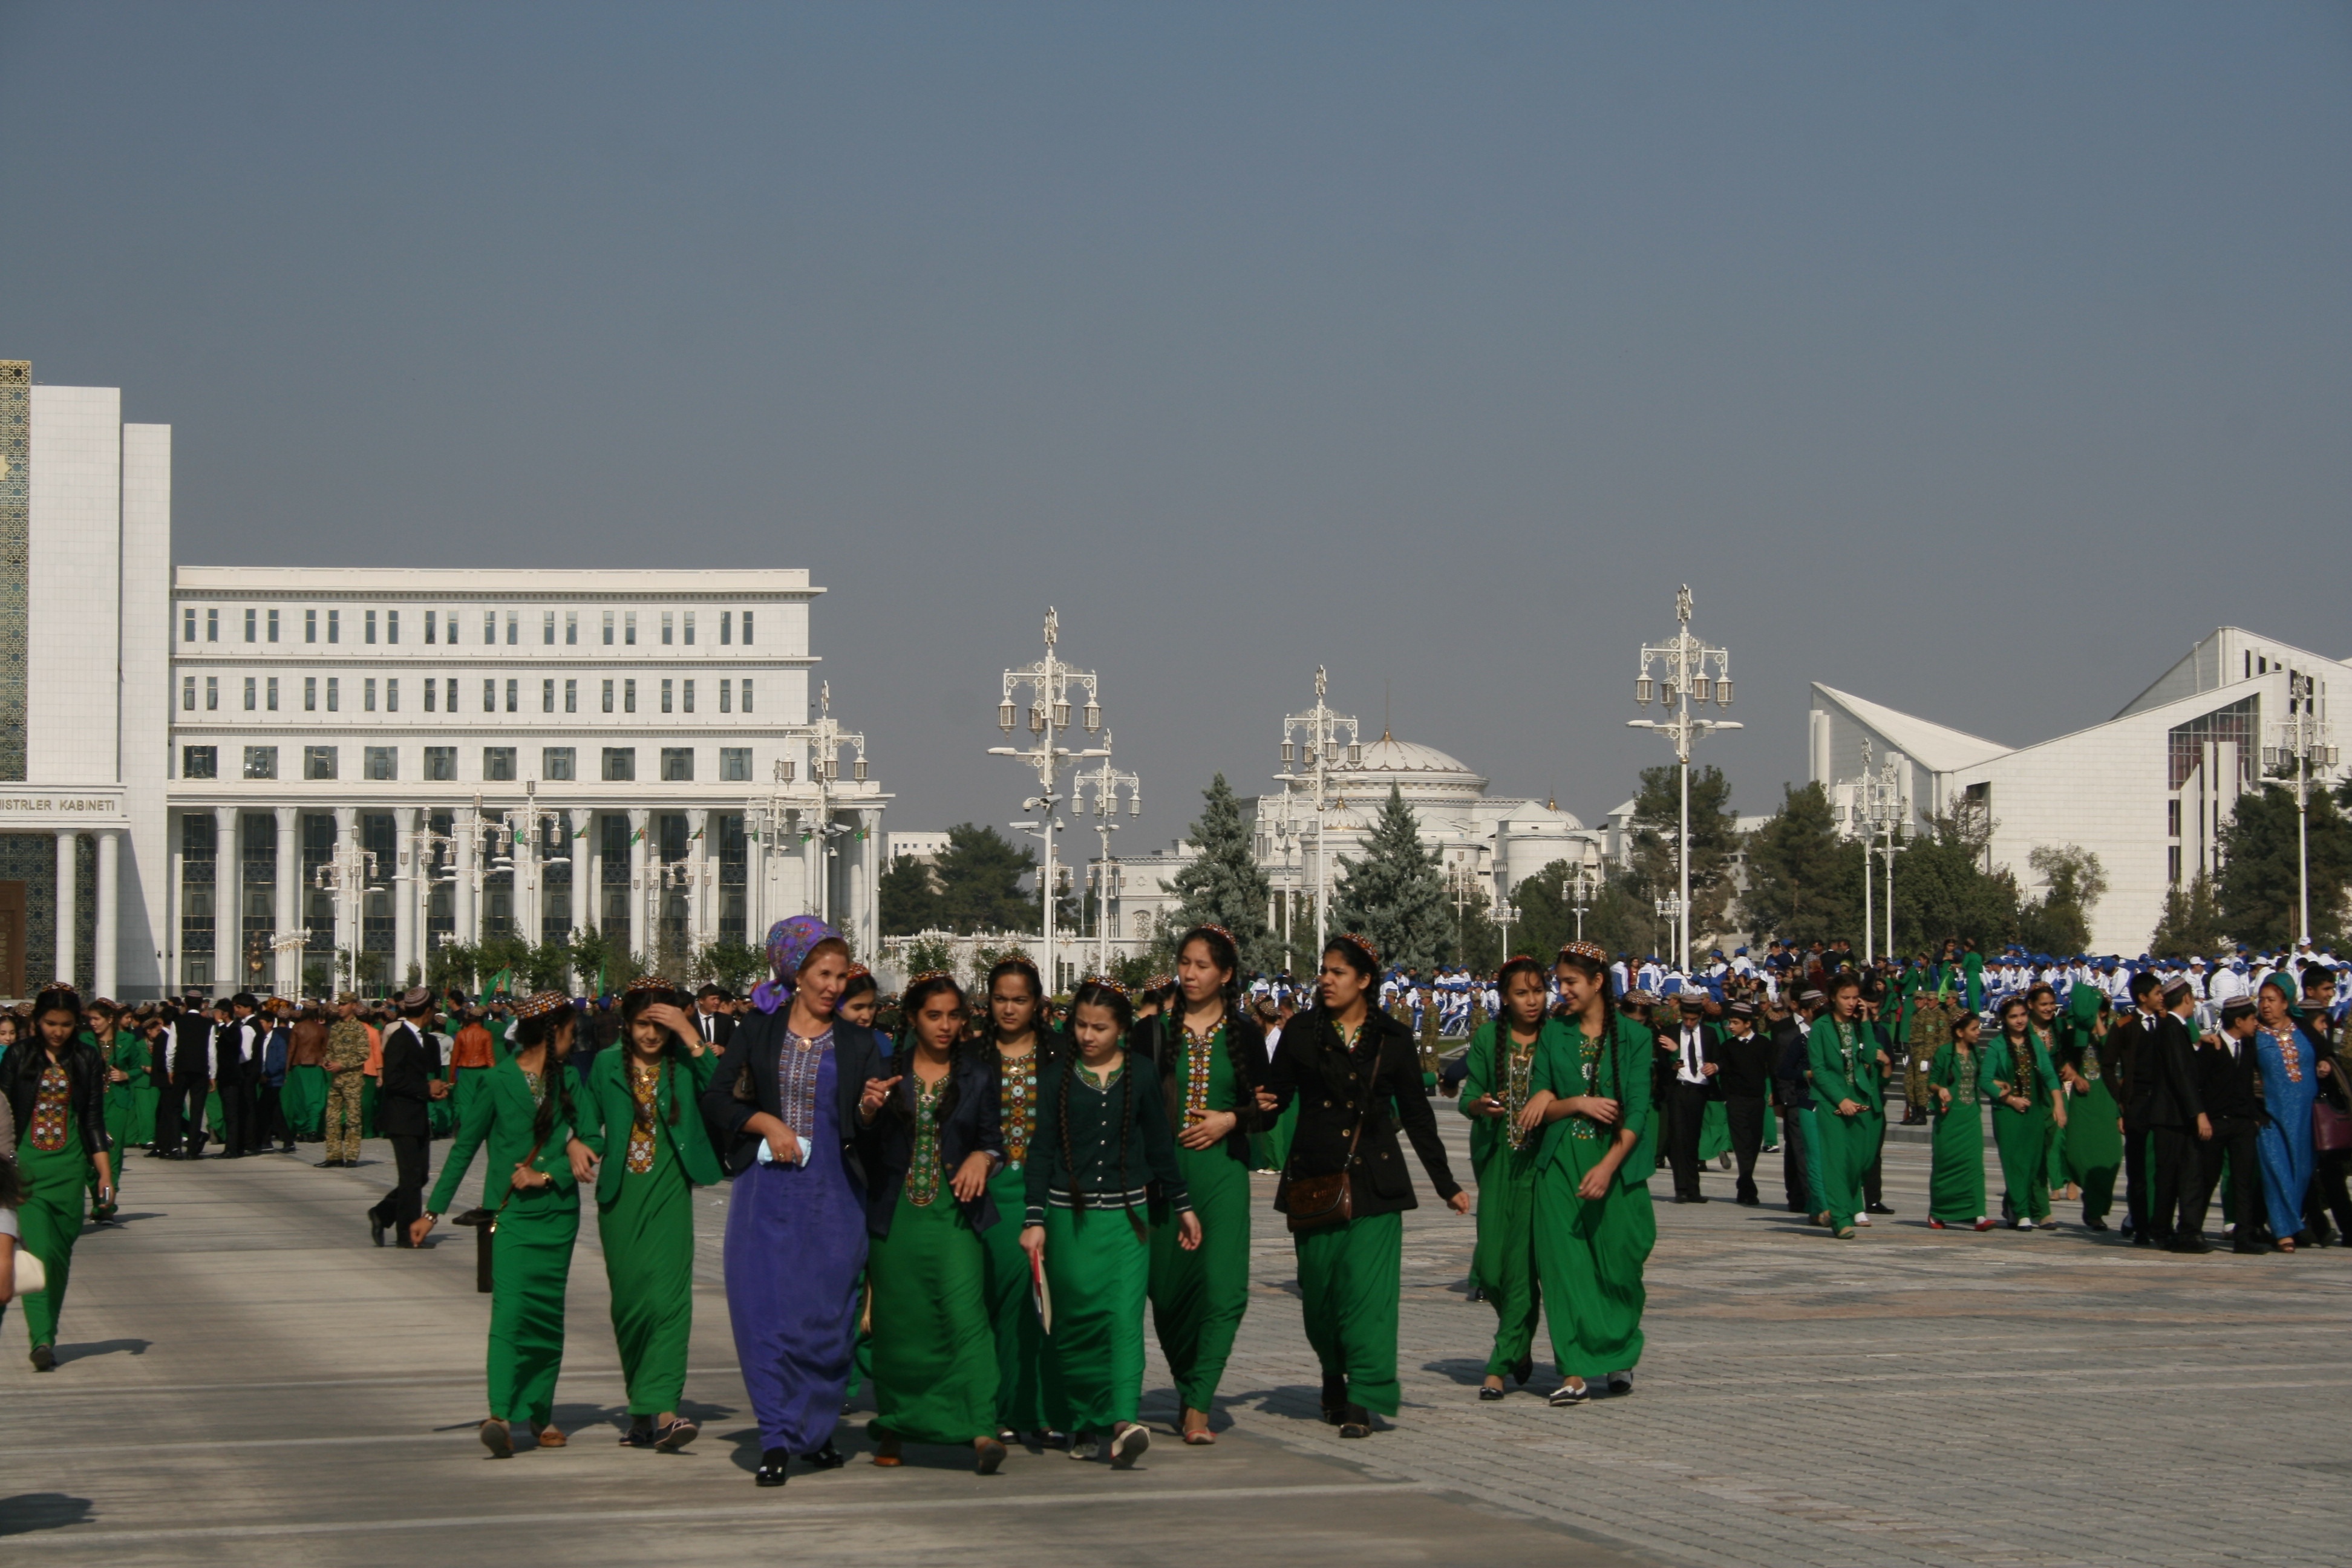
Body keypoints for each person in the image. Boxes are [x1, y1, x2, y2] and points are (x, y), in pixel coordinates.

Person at [698, 916, 893, 1489]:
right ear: (796, 973)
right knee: (766, 1315)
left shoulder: (862, 1043)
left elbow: (866, 1126)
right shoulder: (759, 1030)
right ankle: (779, 1434)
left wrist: (870, 1110)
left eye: (842, 975)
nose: (835, 986)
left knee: (827, 1319)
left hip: (835, 1196)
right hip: (767, 1197)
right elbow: (717, 1098)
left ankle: (816, 1424)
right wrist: (764, 1123)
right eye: (824, 974)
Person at [1261, 934, 1468, 1440]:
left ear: (1364, 980)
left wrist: (1446, 1184)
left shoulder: (1393, 1039)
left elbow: (1418, 1119)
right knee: (1322, 1297)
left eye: (1337, 972)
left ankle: (1362, 1398)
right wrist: (1232, 1121)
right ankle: (1334, 1373)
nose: (1325, 980)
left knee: (1369, 1297)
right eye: (1323, 971)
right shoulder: (1302, 1032)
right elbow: (1274, 1100)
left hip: (1376, 1183)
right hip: (1315, 1179)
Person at [411, 991, 595, 1455]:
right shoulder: (496, 1082)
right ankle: (499, 1413)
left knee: (547, 1318)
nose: (576, 1041)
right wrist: (432, 1212)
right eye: (572, 1031)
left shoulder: (570, 1078)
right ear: (553, 1032)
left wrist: (557, 1161)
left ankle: (541, 1413)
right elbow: (463, 1147)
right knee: (510, 1314)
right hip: (511, 1216)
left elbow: (593, 1135)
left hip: (557, 1216)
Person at [1024, 978, 1198, 1466]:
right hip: (1068, 1220)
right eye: (1080, 1024)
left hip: (1128, 1221)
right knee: (1076, 1322)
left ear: (1122, 1029)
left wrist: (1183, 1206)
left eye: (1100, 1027)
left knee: (1123, 1320)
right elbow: (1042, 1153)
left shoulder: (1141, 1073)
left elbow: (1160, 1145)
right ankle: (1081, 1419)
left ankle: (1124, 1421)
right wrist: (1034, 1219)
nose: (1087, 1035)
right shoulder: (1058, 1076)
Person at [863, 969, 1007, 1475]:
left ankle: (981, 1429)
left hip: (955, 1219)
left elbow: (996, 1140)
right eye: (933, 1015)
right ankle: (899, 1425)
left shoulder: (979, 1075)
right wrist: (866, 1111)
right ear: (911, 1018)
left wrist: (983, 1159)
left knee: (966, 1320)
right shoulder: (885, 1070)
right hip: (896, 1218)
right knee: (901, 1328)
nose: (945, 1026)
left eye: (954, 1015)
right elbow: (861, 1146)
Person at [1133, 925, 1264, 1444]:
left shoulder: (1247, 1033)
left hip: (1223, 1175)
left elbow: (1267, 1110)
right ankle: (1188, 1384)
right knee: (1167, 1293)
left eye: (1202, 965)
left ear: (1226, 974)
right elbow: (1136, 1107)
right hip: (1165, 1179)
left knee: (1225, 1289)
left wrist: (1230, 1120)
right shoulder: (1152, 1032)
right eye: (1184, 962)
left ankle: (1199, 1403)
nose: (1189, 974)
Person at [577, 976, 719, 1451]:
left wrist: (689, 1033)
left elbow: (722, 1091)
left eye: (661, 1025)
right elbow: (586, 1122)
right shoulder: (602, 1066)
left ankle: (666, 1413)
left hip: (670, 1193)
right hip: (621, 1199)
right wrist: (575, 1143)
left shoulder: (684, 1062)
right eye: (644, 1024)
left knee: (669, 1302)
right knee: (632, 1305)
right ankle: (641, 1410)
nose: (652, 1036)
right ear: (627, 1024)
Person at [1514, 940, 1656, 1405]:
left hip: (1614, 1163)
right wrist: (1571, 1102)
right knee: (1563, 1268)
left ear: (1598, 982)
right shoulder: (1555, 1033)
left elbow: (1637, 1112)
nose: (1563, 990)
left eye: (1571, 982)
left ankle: (1617, 1352)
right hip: (1560, 1164)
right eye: (1560, 982)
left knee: (1619, 1264)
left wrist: (1608, 1166)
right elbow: (1542, 1102)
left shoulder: (1634, 1038)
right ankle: (1573, 1370)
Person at [970, 954, 1064, 1445]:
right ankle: (1002, 1407)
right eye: (1001, 999)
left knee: (1050, 1301)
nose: (1009, 1009)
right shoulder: (973, 1057)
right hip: (993, 1194)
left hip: (1050, 1191)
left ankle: (1045, 1410)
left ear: (1037, 1004)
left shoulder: (1060, 1058)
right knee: (1003, 1300)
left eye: (1020, 1000)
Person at [1459, 955, 1560, 1397]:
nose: (1533, 1001)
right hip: (1498, 1164)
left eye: (1538, 991)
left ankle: (1499, 1363)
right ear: (1505, 997)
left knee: (1523, 1269)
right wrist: (1481, 1105)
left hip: (1543, 1168)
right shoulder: (1487, 1038)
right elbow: (1468, 1098)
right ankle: (1519, 1342)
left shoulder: (1557, 1037)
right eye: (1522, 993)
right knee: (1493, 1267)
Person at [0, 988, 116, 1371]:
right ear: (37, 1022)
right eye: (51, 1024)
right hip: (27, 1172)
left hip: (69, 1171)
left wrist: (103, 1174)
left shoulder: (86, 1058)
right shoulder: (18, 1056)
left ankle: (48, 1329)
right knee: (37, 1252)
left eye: (67, 1025)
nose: (58, 1032)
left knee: (60, 1257)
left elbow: (92, 1120)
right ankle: (42, 1339)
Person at [2184, 998, 2265, 1253]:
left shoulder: (2249, 1046)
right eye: (2252, 1019)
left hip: (2242, 1123)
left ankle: (2244, 1235)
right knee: (2207, 1178)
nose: (2256, 1023)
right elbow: (2196, 1085)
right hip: (2215, 1122)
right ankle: (2192, 1231)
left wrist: (2253, 1119)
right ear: (2238, 1021)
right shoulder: (2212, 1048)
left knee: (2243, 1180)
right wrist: (2201, 1116)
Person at [2252, 974, 2324, 1252]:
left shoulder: (2303, 1028)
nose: (2265, 1006)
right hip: (2271, 1115)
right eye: (2262, 1000)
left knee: (2302, 1171)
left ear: (2286, 1003)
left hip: (2305, 1116)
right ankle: (2284, 1231)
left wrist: (2325, 1064)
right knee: (2276, 1170)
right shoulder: (2255, 1035)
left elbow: (2325, 1052)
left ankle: (2291, 1224)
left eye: (2272, 1000)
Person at [368, 989, 445, 1248]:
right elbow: (394, 1080)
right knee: (411, 1177)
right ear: (426, 1011)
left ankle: (383, 1213)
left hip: (418, 1115)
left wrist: (435, 1090)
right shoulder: (401, 1038)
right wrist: (425, 1089)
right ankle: (407, 1233)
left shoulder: (426, 1040)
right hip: (400, 1116)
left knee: (420, 1175)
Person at [1805, 976, 1875, 1240]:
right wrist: (1840, 1099)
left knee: (1860, 1161)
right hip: (1831, 1101)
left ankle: (1842, 1209)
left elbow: (1869, 1058)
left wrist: (1866, 1022)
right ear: (1834, 998)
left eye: (1855, 997)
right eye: (1845, 998)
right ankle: (1842, 1218)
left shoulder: (1857, 1026)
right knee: (1835, 1161)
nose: (1851, 1003)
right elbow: (1819, 1070)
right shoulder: (1821, 1027)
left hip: (1859, 1097)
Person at [1988, 998, 2066, 1232]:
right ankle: (2022, 1211)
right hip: (2007, 1113)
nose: (2020, 1020)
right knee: (2015, 1162)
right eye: (2013, 1016)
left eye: (2022, 1015)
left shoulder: (2034, 1042)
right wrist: (2009, 1099)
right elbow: (1984, 1079)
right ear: (2004, 1020)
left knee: (2035, 1161)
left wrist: (2058, 1104)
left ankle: (2031, 1209)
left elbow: (2050, 1075)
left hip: (2033, 1111)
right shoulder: (1997, 1046)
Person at [2143, 981, 2209, 1249]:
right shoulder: (2172, 1029)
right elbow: (2181, 1075)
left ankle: (2168, 1229)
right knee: (2174, 1176)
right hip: (2173, 1117)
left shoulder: (2173, 1029)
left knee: (2174, 1176)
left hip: (2173, 1116)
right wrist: (2199, 1113)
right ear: (2187, 999)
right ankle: (2168, 1231)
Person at [2056, 984, 2123, 1230]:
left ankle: (2096, 1208)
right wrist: (2074, 1077)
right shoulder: (2075, 1034)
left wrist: (2098, 1023)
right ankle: (2090, 1203)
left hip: (2107, 1100)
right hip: (2083, 1104)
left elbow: (2112, 1052)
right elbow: (2064, 1064)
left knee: (2111, 1155)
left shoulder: (2114, 1030)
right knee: (2078, 1153)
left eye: (2102, 1011)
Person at [1926, 1012, 1993, 1230]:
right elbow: (1932, 1082)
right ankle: (1938, 1212)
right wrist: (1941, 1089)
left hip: (1970, 1116)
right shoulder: (1945, 1052)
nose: (1978, 1032)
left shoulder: (1975, 1054)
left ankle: (1979, 1215)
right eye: (1974, 1029)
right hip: (1949, 1118)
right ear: (1959, 1032)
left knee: (1974, 1165)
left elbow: (1981, 1079)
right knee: (1946, 1164)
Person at [1713, 1001, 1772, 1206]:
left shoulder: (1763, 1044)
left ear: (1748, 1024)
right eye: (1730, 1022)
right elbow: (1723, 1068)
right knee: (1741, 1143)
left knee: (1754, 1142)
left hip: (1757, 1100)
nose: (1731, 1026)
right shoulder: (1728, 1046)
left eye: (1736, 1023)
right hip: (1736, 1100)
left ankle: (1745, 1182)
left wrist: (1775, 1093)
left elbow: (1772, 1068)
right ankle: (1747, 1187)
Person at [1662, 995, 1719, 1204]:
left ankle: (1694, 1189)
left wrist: (1715, 1067)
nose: (1688, 1023)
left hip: (1699, 1090)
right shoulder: (1669, 1033)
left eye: (1693, 1019)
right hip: (1678, 1089)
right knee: (1678, 1138)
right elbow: (1659, 1062)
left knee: (1692, 1140)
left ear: (1700, 1017)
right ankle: (1681, 1188)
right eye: (1685, 1019)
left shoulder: (1710, 1034)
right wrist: (1671, 1064)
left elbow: (1719, 1058)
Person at [321, 993, 371, 1168]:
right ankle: (334, 1155)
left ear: (354, 1005)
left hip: (352, 1081)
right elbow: (329, 1049)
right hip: (336, 1081)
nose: (340, 1007)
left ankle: (351, 1156)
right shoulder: (335, 1028)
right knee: (332, 1118)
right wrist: (327, 1061)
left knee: (353, 1119)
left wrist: (342, 1065)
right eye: (339, 1004)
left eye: (344, 1004)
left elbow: (363, 1054)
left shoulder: (359, 1029)